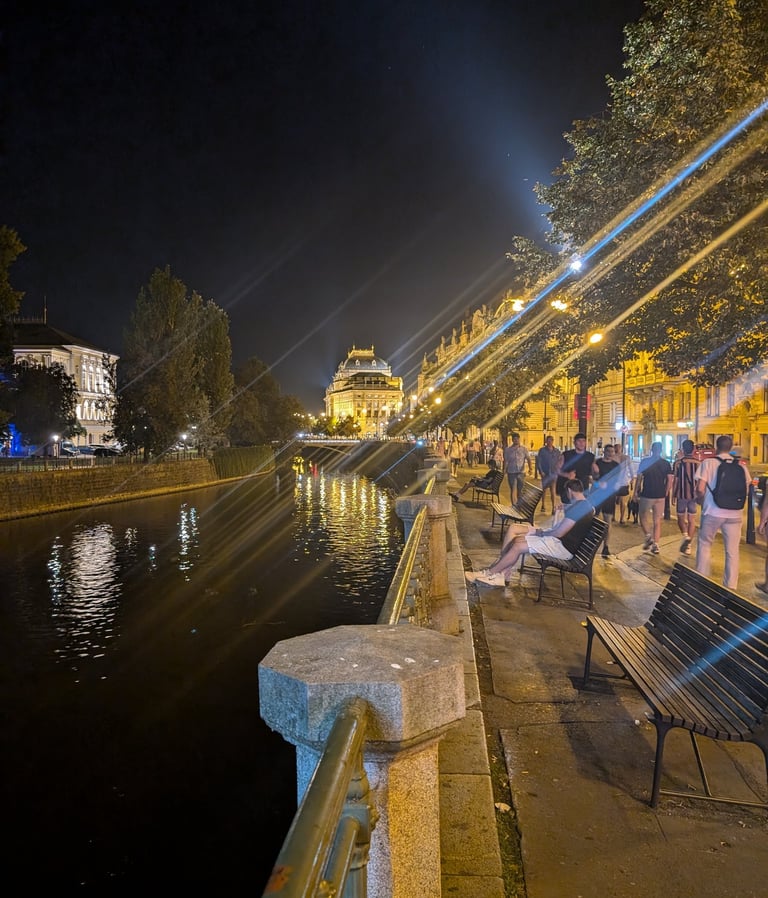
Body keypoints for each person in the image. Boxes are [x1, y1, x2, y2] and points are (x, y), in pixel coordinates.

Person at [465, 478, 595, 587]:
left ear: (569, 491)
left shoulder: (578, 508)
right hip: (562, 545)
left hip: (562, 548)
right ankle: (500, 572)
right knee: (517, 541)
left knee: (518, 545)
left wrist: (542, 534)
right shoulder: (587, 506)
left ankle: (490, 572)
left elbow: (559, 533)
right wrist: (565, 508)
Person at [695, 434, 751, 589]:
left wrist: (700, 500)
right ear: (730, 447)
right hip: (735, 514)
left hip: (712, 512)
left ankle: (701, 580)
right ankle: (731, 586)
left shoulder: (708, 463)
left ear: (716, 446)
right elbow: (746, 488)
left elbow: (700, 489)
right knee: (732, 551)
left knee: (705, 544)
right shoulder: (740, 465)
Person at [636, 442, 674, 555]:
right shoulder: (666, 463)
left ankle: (648, 536)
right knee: (657, 520)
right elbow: (670, 479)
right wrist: (666, 492)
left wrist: (636, 491)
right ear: (661, 450)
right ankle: (656, 545)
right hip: (660, 495)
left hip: (647, 493)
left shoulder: (645, 461)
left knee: (642, 515)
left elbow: (639, 478)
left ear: (652, 449)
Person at [590, 444, 620, 557]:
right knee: (594, 519)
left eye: (612, 452)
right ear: (604, 452)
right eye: (608, 451)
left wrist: (616, 488)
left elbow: (618, 481)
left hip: (609, 496)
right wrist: (598, 484)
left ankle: (606, 546)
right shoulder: (597, 463)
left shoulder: (616, 466)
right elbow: (591, 479)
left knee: (608, 521)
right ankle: (591, 543)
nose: (610, 453)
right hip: (597, 495)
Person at [672, 438, 699, 556]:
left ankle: (685, 536)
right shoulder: (699, 464)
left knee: (680, 518)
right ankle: (688, 546)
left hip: (681, 495)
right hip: (694, 496)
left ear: (683, 449)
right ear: (693, 450)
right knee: (692, 520)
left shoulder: (678, 463)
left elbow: (675, 480)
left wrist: (673, 494)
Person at [556, 433, 594, 504]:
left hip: (583, 489)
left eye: (583, 441)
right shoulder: (566, 455)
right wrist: (566, 475)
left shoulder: (590, 456)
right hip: (568, 490)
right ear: (574, 443)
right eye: (579, 441)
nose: (581, 443)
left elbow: (592, 473)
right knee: (569, 511)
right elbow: (556, 469)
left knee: (581, 511)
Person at [503, 432, 532, 506]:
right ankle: (514, 505)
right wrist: (504, 469)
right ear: (512, 440)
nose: (516, 440)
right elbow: (506, 461)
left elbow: (528, 459)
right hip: (511, 472)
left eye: (517, 439)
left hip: (520, 472)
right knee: (513, 488)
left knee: (520, 489)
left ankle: (519, 504)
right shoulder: (508, 450)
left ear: (519, 439)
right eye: (514, 439)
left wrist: (530, 468)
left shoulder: (524, 449)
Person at [536, 435, 562, 515]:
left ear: (553, 441)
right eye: (548, 441)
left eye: (551, 440)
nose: (549, 442)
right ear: (546, 441)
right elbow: (539, 461)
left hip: (553, 474)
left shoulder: (557, 451)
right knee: (544, 490)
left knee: (553, 491)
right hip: (545, 473)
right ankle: (543, 505)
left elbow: (560, 461)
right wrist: (541, 471)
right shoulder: (542, 451)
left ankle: (553, 507)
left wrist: (558, 470)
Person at [615, 449, 635, 525]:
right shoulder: (627, 457)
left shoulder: (613, 457)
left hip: (615, 483)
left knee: (614, 500)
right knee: (623, 501)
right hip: (624, 482)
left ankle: (613, 517)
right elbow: (631, 469)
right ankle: (622, 518)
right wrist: (632, 478)